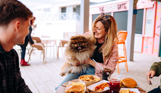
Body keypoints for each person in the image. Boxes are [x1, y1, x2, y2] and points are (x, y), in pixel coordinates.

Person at [55, 13, 119, 90]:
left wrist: (89, 61)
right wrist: (72, 61)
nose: (94, 30)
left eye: (98, 29)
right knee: (61, 88)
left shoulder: (113, 47)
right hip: (78, 68)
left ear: (107, 31)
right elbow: (71, 48)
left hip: (95, 73)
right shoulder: (87, 36)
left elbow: (110, 70)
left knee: (84, 90)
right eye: (94, 27)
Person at [0, 0, 33, 92]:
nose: (28, 32)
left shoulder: (13, 54)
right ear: (17, 26)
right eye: (27, 27)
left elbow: (20, 85)